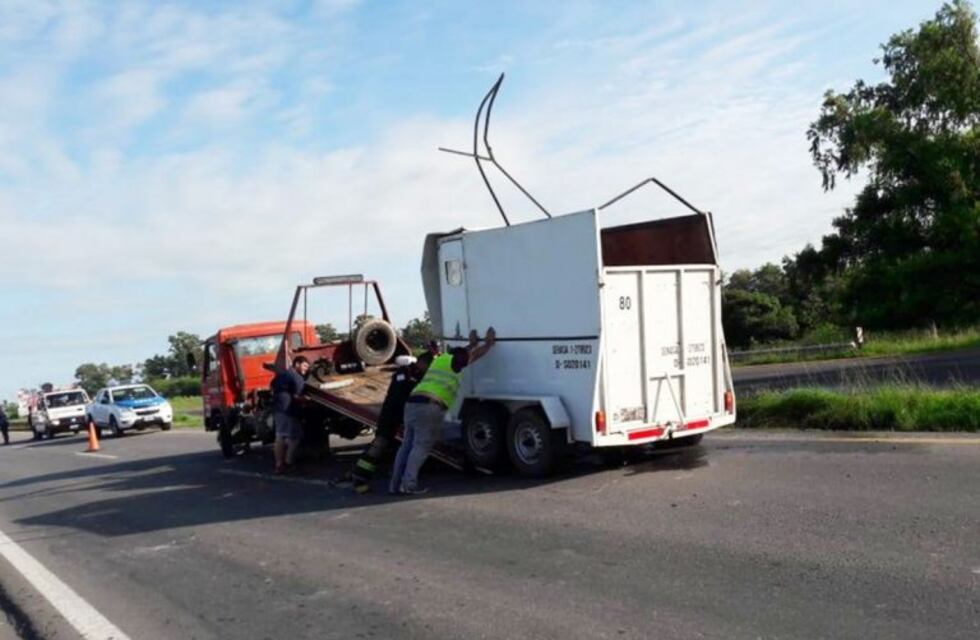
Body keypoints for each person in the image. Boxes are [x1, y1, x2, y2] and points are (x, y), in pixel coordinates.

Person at [390, 327, 496, 495]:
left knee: (406, 446)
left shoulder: (442, 359)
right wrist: (488, 344)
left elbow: (466, 352)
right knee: (420, 447)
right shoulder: (456, 362)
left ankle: (395, 484)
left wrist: (472, 344)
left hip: (412, 404)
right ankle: (408, 485)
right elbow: (473, 356)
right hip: (429, 406)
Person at [348, 351, 434, 494]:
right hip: (391, 415)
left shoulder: (417, 375)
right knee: (379, 445)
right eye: (428, 366)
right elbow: (399, 396)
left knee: (395, 447)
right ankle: (360, 477)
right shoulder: (404, 373)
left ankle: (390, 475)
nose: (428, 370)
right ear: (421, 363)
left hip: (404, 416)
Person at [271, 355, 310, 474]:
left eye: (307, 367)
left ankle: (279, 464)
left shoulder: (283, 374)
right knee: (295, 436)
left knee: (280, 436)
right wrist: (308, 400)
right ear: (297, 364)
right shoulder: (297, 377)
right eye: (304, 366)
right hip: (288, 409)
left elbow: (272, 386)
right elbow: (298, 396)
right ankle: (288, 462)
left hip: (278, 408)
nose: (306, 369)